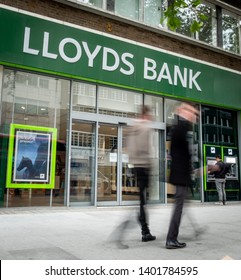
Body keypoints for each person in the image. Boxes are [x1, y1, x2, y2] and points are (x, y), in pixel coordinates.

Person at [166, 102, 198, 249]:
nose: (194, 114)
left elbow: (176, 153)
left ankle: (173, 237)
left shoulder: (181, 128)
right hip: (180, 175)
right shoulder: (180, 128)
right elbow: (180, 155)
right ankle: (171, 239)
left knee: (182, 205)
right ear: (182, 111)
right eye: (191, 111)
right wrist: (188, 169)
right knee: (179, 206)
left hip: (181, 175)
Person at [126, 105, 156, 242]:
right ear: (146, 115)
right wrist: (148, 163)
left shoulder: (133, 127)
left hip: (137, 165)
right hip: (144, 166)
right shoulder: (145, 128)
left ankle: (144, 226)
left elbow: (130, 149)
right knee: (144, 200)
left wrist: (134, 161)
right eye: (149, 115)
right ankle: (144, 229)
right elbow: (147, 149)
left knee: (143, 199)